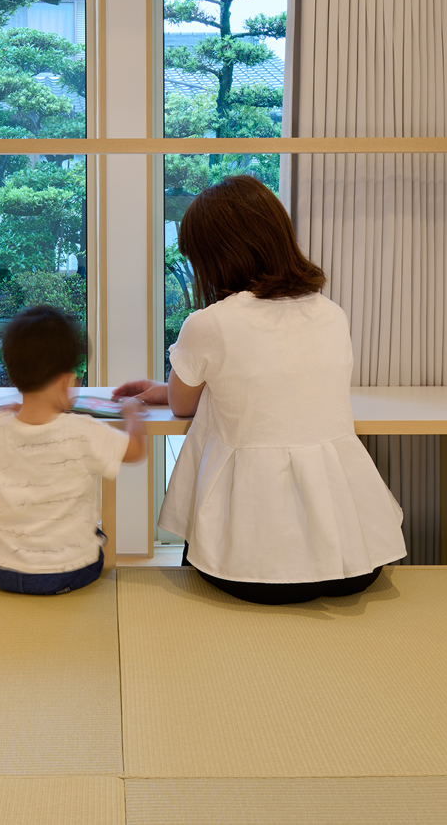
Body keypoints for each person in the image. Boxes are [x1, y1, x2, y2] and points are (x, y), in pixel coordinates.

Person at [115, 174, 407, 604]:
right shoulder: (331, 314)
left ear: (216, 257)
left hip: (248, 567)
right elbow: (274, 385)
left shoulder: (211, 322)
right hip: (353, 559)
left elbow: (182, 405)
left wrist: (168, 390)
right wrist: (164, 387)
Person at [0, 305, 146, 594]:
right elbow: (135, 450)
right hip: (67, 571)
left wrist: (2, 415)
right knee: (95, 539)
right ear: (66, 381)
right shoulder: (82, 430)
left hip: (0, 569)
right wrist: (132, 413)